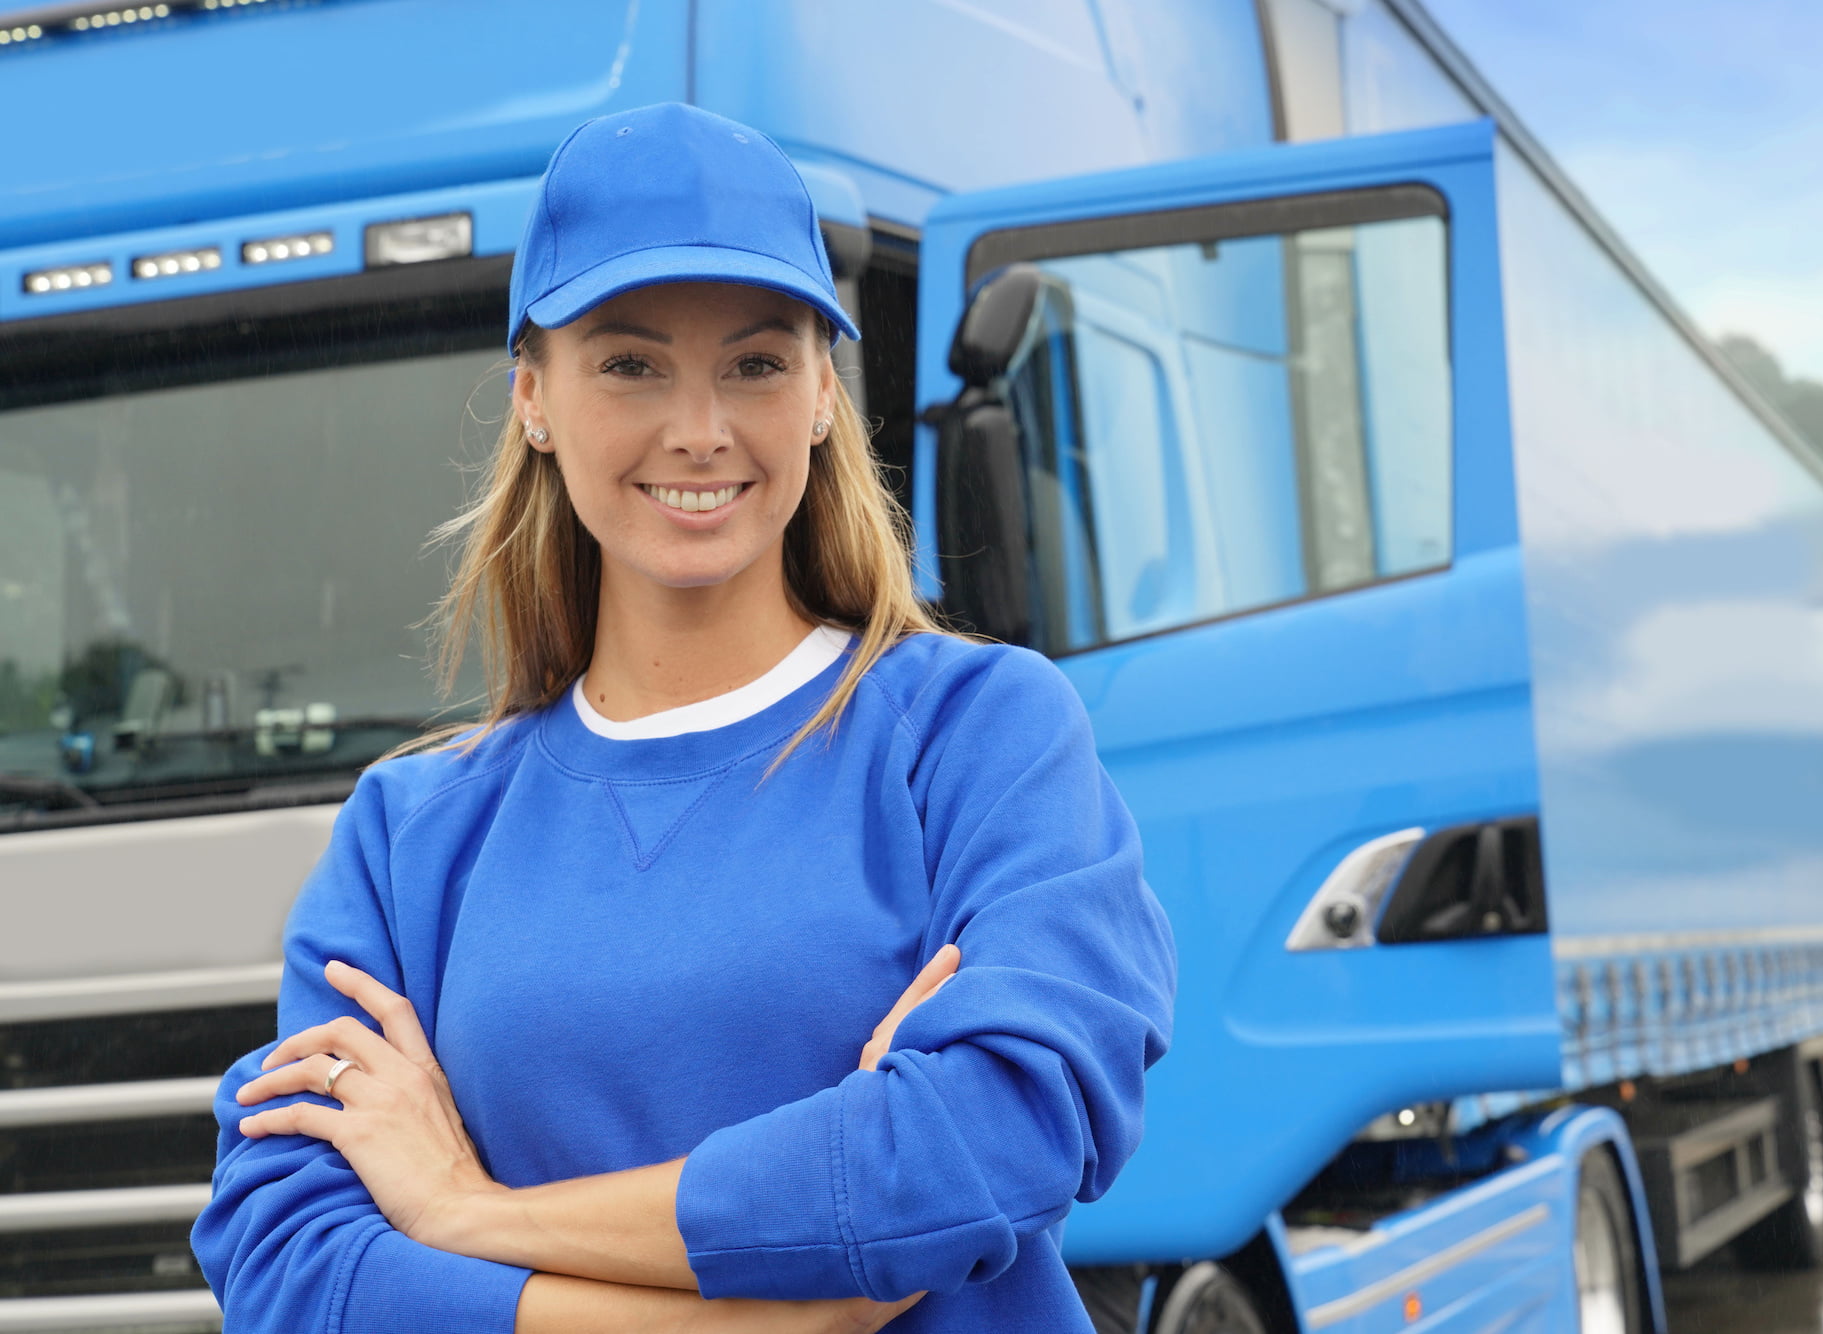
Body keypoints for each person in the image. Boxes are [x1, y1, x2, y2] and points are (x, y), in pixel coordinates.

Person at [190, 101, 1176, 1333]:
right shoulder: (411, 834)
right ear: (533, 398)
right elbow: (288, 1260)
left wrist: (463, 1208)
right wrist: (783, 1298)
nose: (699, 429)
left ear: (822, 390)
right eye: (629, 362)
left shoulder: (976, 734)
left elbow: (994, 1133)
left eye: (756, 362)